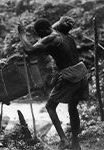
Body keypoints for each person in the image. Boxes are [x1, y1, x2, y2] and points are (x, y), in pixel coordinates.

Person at [17, 16, 89, 150]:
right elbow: (52, 27)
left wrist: (22, 34)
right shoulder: (65, 34)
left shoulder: (51, 38)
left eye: (40, 34)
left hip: (70, 76)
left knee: (50, 107)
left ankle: (64, 140)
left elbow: (29, 50)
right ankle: (75, 143)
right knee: (72, 107)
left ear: (44, 30)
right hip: (81, 74)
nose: (40, 38)